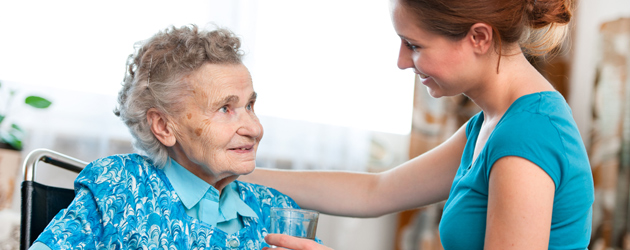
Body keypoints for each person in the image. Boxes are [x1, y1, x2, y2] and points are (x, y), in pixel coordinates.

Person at [242, 0, 595, 249]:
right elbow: (376, 191)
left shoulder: (527, 134)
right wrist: (235, 173)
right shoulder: (491, 126)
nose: (401, 61)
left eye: (413, 45)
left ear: (479, 38)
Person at [29, 25, 303, 249]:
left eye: (250, 106)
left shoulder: (277, 211)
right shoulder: (119, 187)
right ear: (163, 126)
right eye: (224, 108)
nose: (254, 129)